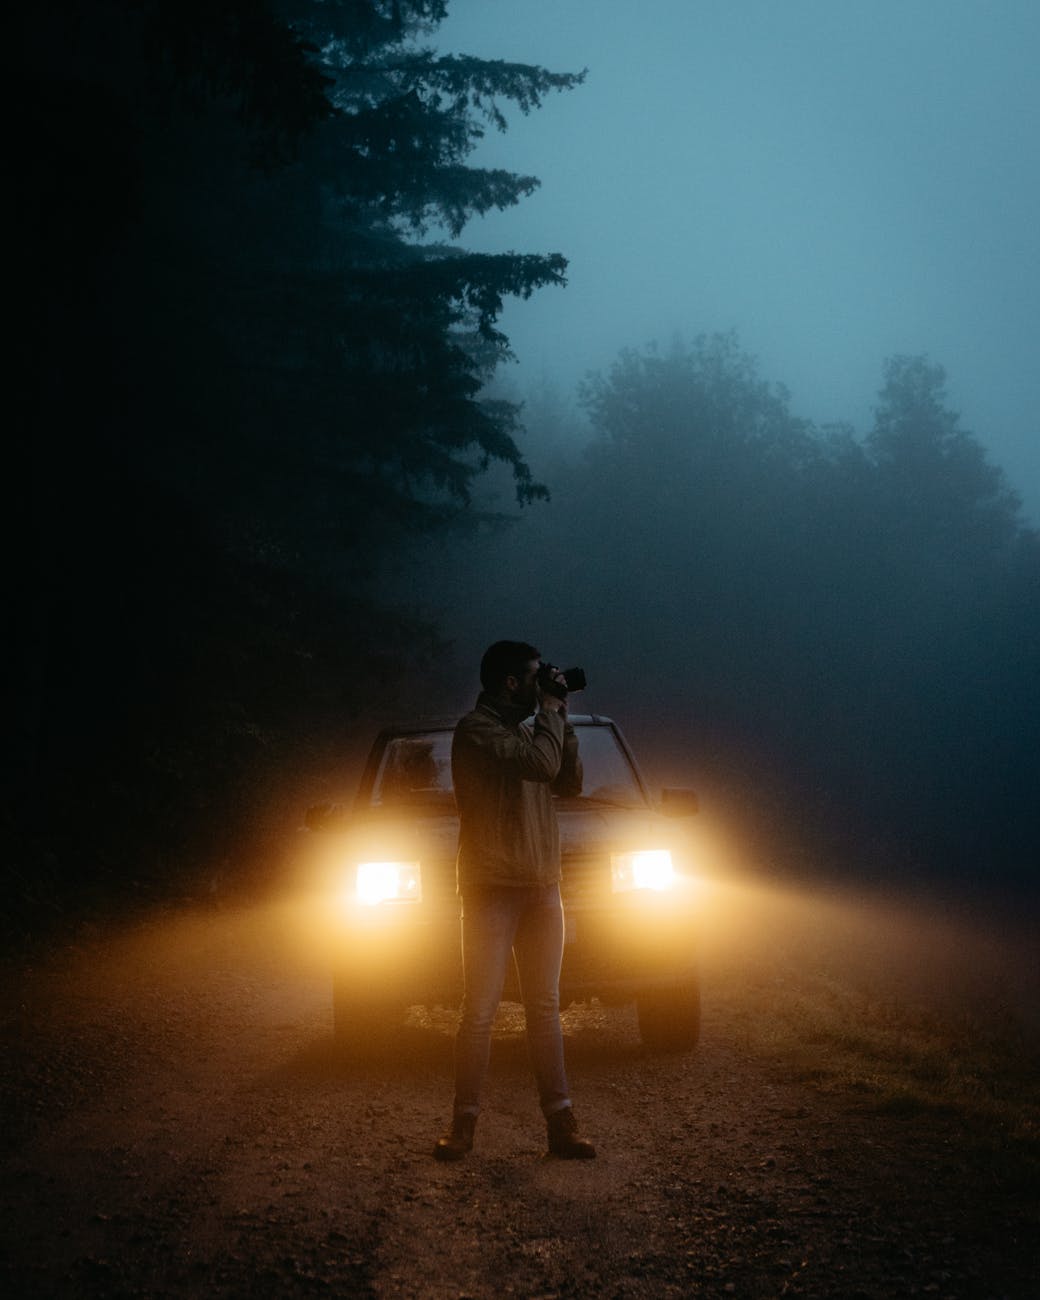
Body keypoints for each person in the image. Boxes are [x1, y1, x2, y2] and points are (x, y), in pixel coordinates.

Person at [433, 640, 596, 1161]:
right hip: (490, 890)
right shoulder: (475, 731)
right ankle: (463, 1125)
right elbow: (539, 768)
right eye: (534, 677)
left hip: (542, 888)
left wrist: (562, 720)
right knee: (479, 1011)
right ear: (509, 682)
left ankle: (561, 1124)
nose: (542, 685)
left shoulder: (535, 731)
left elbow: (566, 781)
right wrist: (549, 715)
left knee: (544, 1009)